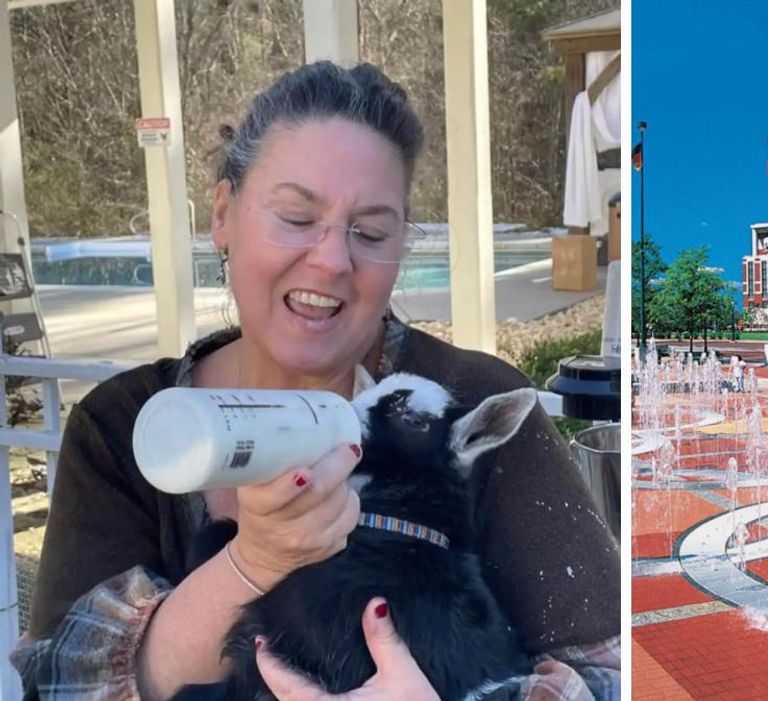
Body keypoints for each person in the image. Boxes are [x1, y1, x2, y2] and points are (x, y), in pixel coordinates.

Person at [12, 62, 619, 701]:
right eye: (297, 217)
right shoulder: (123, 427)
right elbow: (58, 686)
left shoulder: (471, 404)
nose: (331, 259)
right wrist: (254, 562)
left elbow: (617, 674)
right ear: (223, 214)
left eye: (371, 232)